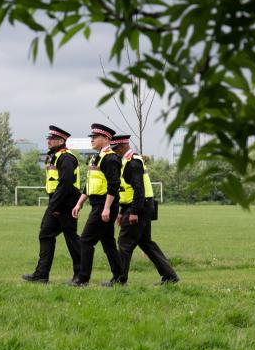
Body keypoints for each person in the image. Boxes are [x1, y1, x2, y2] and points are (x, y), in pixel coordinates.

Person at [111, 135, 179, 285]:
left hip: (139, 207)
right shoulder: (129, 161)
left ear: (123, 147)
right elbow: (126, 190)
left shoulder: (133, 163)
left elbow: (138, 189)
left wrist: (134, 212)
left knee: (124, 242)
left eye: (116, 149)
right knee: (146, 243)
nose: (115, 152)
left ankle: (119, 280)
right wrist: (123, 212)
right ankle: (170, 276)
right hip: (142, 205)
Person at [22, 125, 82, 283]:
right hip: (57, 202)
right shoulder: (55, 157)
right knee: (46, 234)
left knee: (72, 239)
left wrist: (56, 207)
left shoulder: (66, 157)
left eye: (53, 139)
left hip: (65, 203)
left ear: (61, 141)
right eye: (48, 138)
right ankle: (41, 275)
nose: (49, 141)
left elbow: (66, 184)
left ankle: (81, 275)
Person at [70, 123, 124, 287]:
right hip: (97, 204)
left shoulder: (110, 158)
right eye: (91, 137)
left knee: (86, 240)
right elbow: (90, 185)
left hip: (104, 205)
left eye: (95, 137)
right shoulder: (97, 157)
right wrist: (79, 203)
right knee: (108, 242)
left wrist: (107, 207)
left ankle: (82, 278)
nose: (92, 140)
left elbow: (113, 185)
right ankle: (120, 278)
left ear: (106, 139)